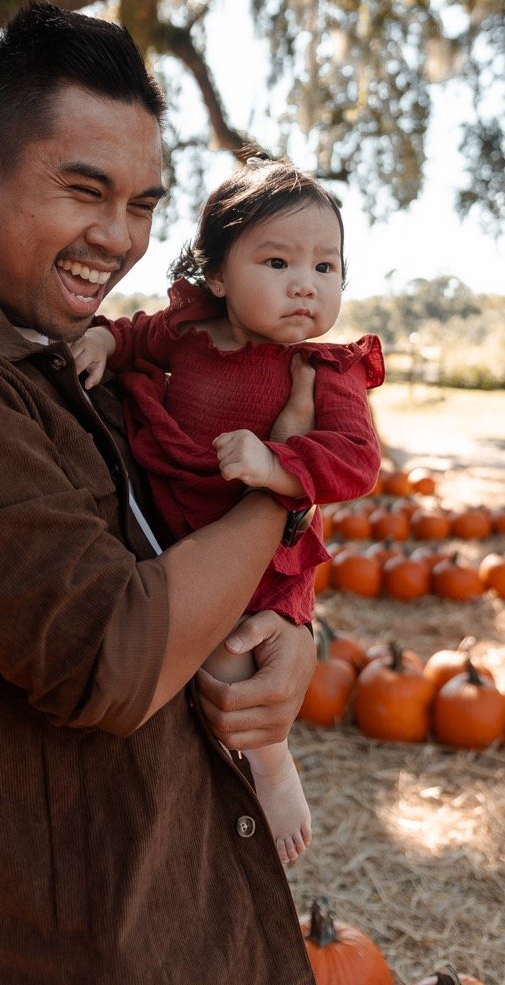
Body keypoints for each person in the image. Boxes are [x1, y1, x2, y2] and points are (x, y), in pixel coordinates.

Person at [0, 1, 322, 985]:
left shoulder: (65, 345)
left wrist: (293, 630)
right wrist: (280, 485)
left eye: (143, 204)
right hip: (51, 941)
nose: (118, 238)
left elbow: (185, 527)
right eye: (85, 190)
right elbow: (111, 656)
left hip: (169, 890)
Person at [70, 161, 384, 864]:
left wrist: (278, 465)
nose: (305, 284)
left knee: (228, 645)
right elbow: (137, 336)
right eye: (277, 262)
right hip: (178, 523)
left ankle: (270, 763)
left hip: (262, 556)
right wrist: (104, 340)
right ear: (215, 274)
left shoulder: (324, 371)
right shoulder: (189, 332)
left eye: (326, 266)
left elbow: (357, 460)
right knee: (182, 632)